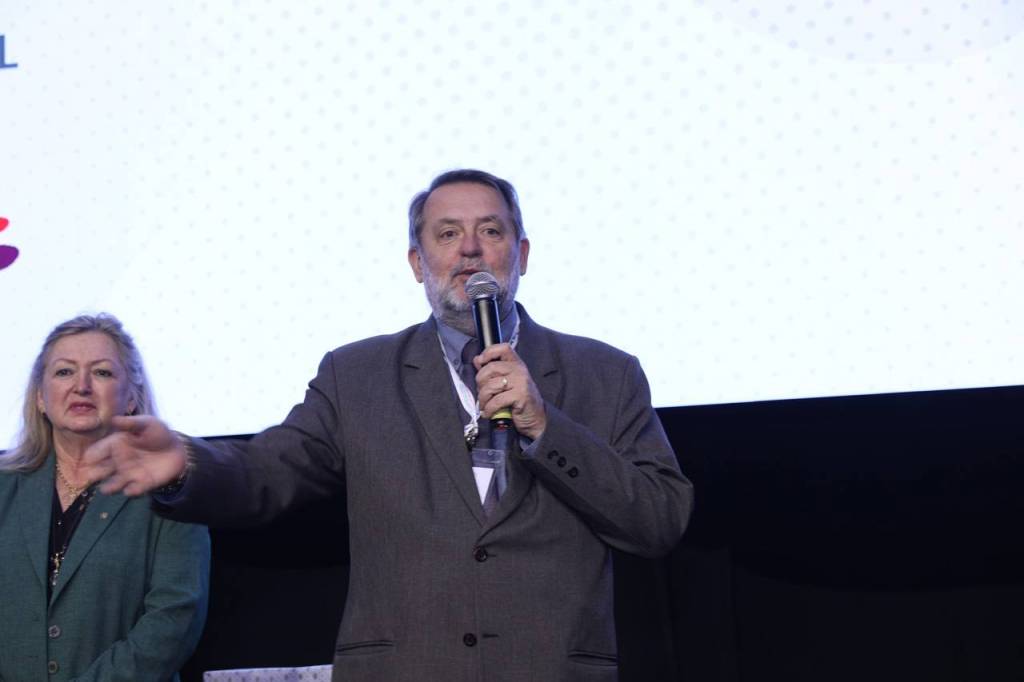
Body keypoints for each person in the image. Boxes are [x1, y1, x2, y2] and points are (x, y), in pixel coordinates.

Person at [84, 169, 694, 681]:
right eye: (447, 233)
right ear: (417, 262)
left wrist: (544, 425)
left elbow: (660, 517)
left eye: (490, 231)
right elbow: (270, 469)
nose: (470, 249)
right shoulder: (357, 376)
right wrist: (189, 464)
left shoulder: (605, 374)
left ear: (522, 254)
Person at [0, 314, 209, 682]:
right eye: (64, 372)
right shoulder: (5, 488)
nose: (81, 386)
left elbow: (176, 615)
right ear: (40, 397)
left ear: (131, 398)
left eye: (102, 372)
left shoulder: (170, 488)